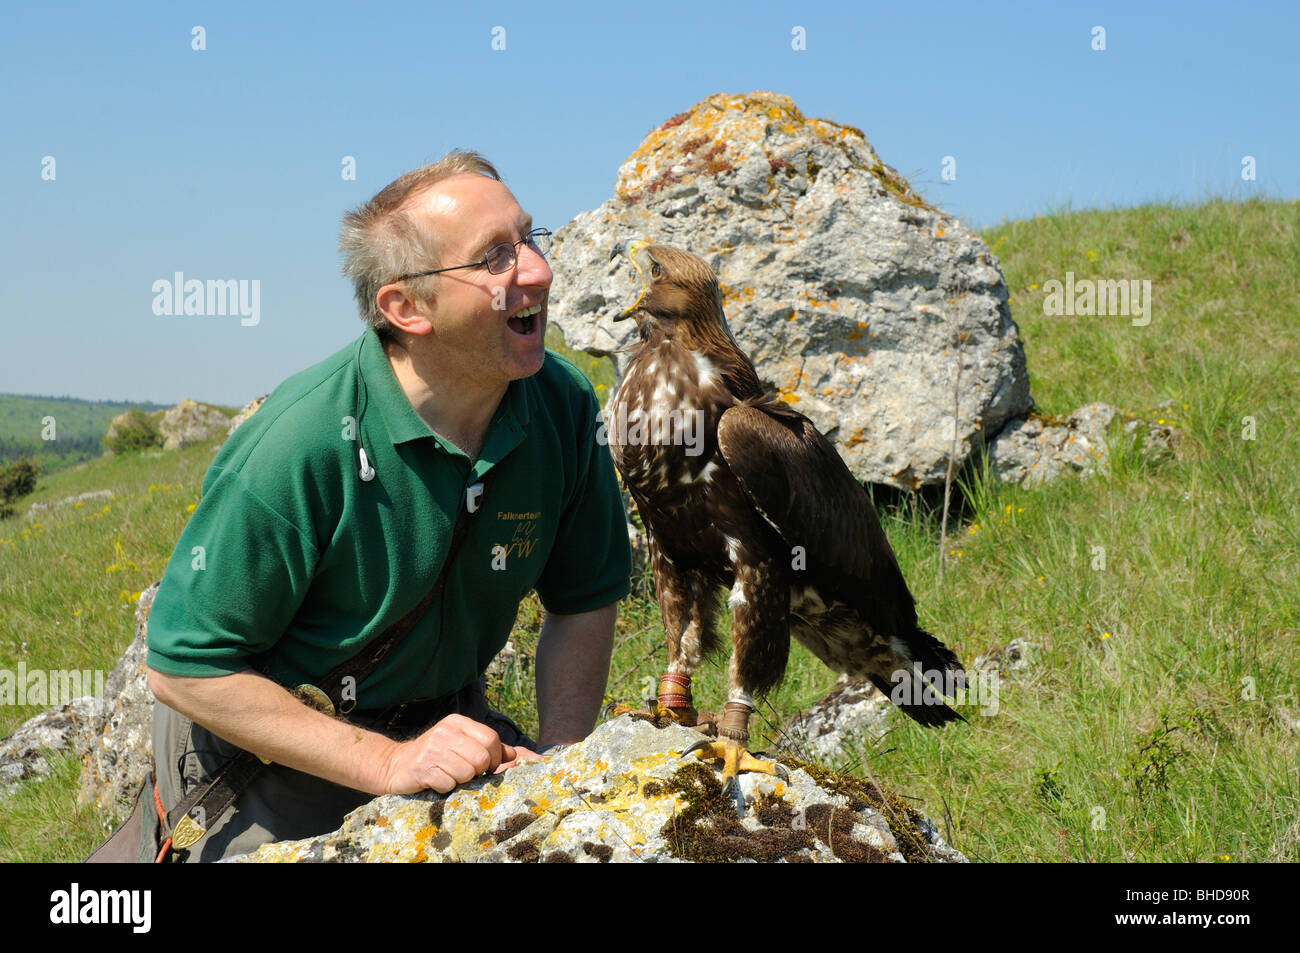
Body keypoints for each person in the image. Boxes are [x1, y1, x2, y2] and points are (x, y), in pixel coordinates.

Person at [143, 151, 632, 861]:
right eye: (495, 257)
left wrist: (558, 762)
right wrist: (388, 766)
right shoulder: (303, 440)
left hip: (442, 725)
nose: (538, 270)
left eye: (530, 238)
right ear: (406, 307)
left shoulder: (560, 406)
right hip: (272, 753)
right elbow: (184, 665)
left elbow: (584, 597)